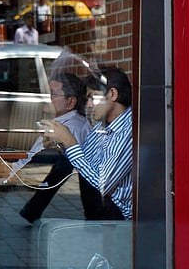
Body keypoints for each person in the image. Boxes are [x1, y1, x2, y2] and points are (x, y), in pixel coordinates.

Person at [43, 67, 135, 220]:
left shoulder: (128, 130)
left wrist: (69, 141)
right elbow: (86, 159)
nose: (90, 105)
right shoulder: (102, 125)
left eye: (93, 97)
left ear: (112, 94)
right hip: (106, 209)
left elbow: (102, 183)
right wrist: (61, 143)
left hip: (123, 219)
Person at [19, 73, 104, 223]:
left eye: (52, 95)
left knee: (72, 172)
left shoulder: (75, 125)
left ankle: (95, 217)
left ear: (70, 102)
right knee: (62, 169)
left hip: (84, 162)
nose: (48, 99)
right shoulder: (67, 121)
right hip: (75, 160)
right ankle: (32, 210)